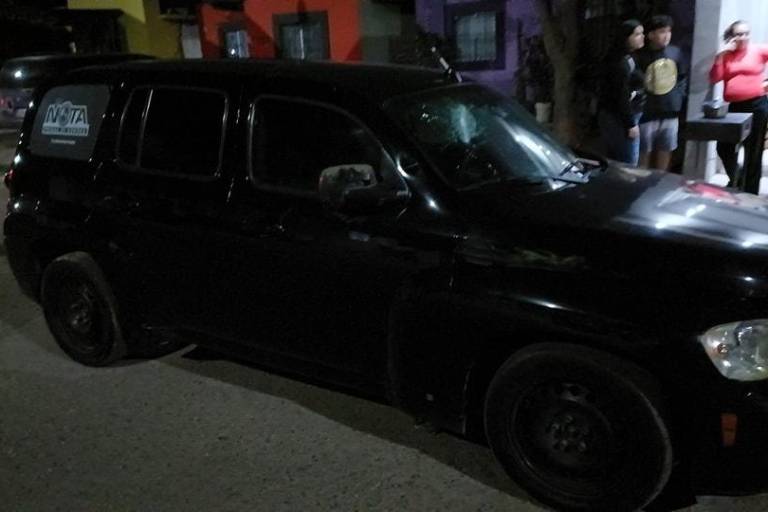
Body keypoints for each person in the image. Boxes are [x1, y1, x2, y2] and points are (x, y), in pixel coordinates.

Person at [709, 20, 768, 194]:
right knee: (724, 147)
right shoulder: (726, 55)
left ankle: (750, 192)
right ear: (732, 37)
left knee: (753, 151)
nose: (743, 37)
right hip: (734, 107)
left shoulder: (759, 50)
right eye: (739, 34)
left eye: (746, 33)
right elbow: (715, 78)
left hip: (757, 105)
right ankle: (738, 178)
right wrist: (720, 56)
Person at [634, 15, 688, 170]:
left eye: (669, 31)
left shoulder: (675, 52)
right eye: (662, 31)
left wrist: (678, 98)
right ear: (651, 35)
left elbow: (682, 78)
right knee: (644, 152)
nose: (667, 36)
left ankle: (661, 180)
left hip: (670, 111)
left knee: (666, 150)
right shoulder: (640, 55)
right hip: (646, 114)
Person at [598, 19, 646, 165]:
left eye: (642, 33)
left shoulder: (630, 56)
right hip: (619, 118)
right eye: (637, 34)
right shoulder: (618, 62)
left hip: (620, 115)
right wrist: (630, 124)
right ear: (625, 37)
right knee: (626, 163)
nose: (642, 37)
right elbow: (620, 94)